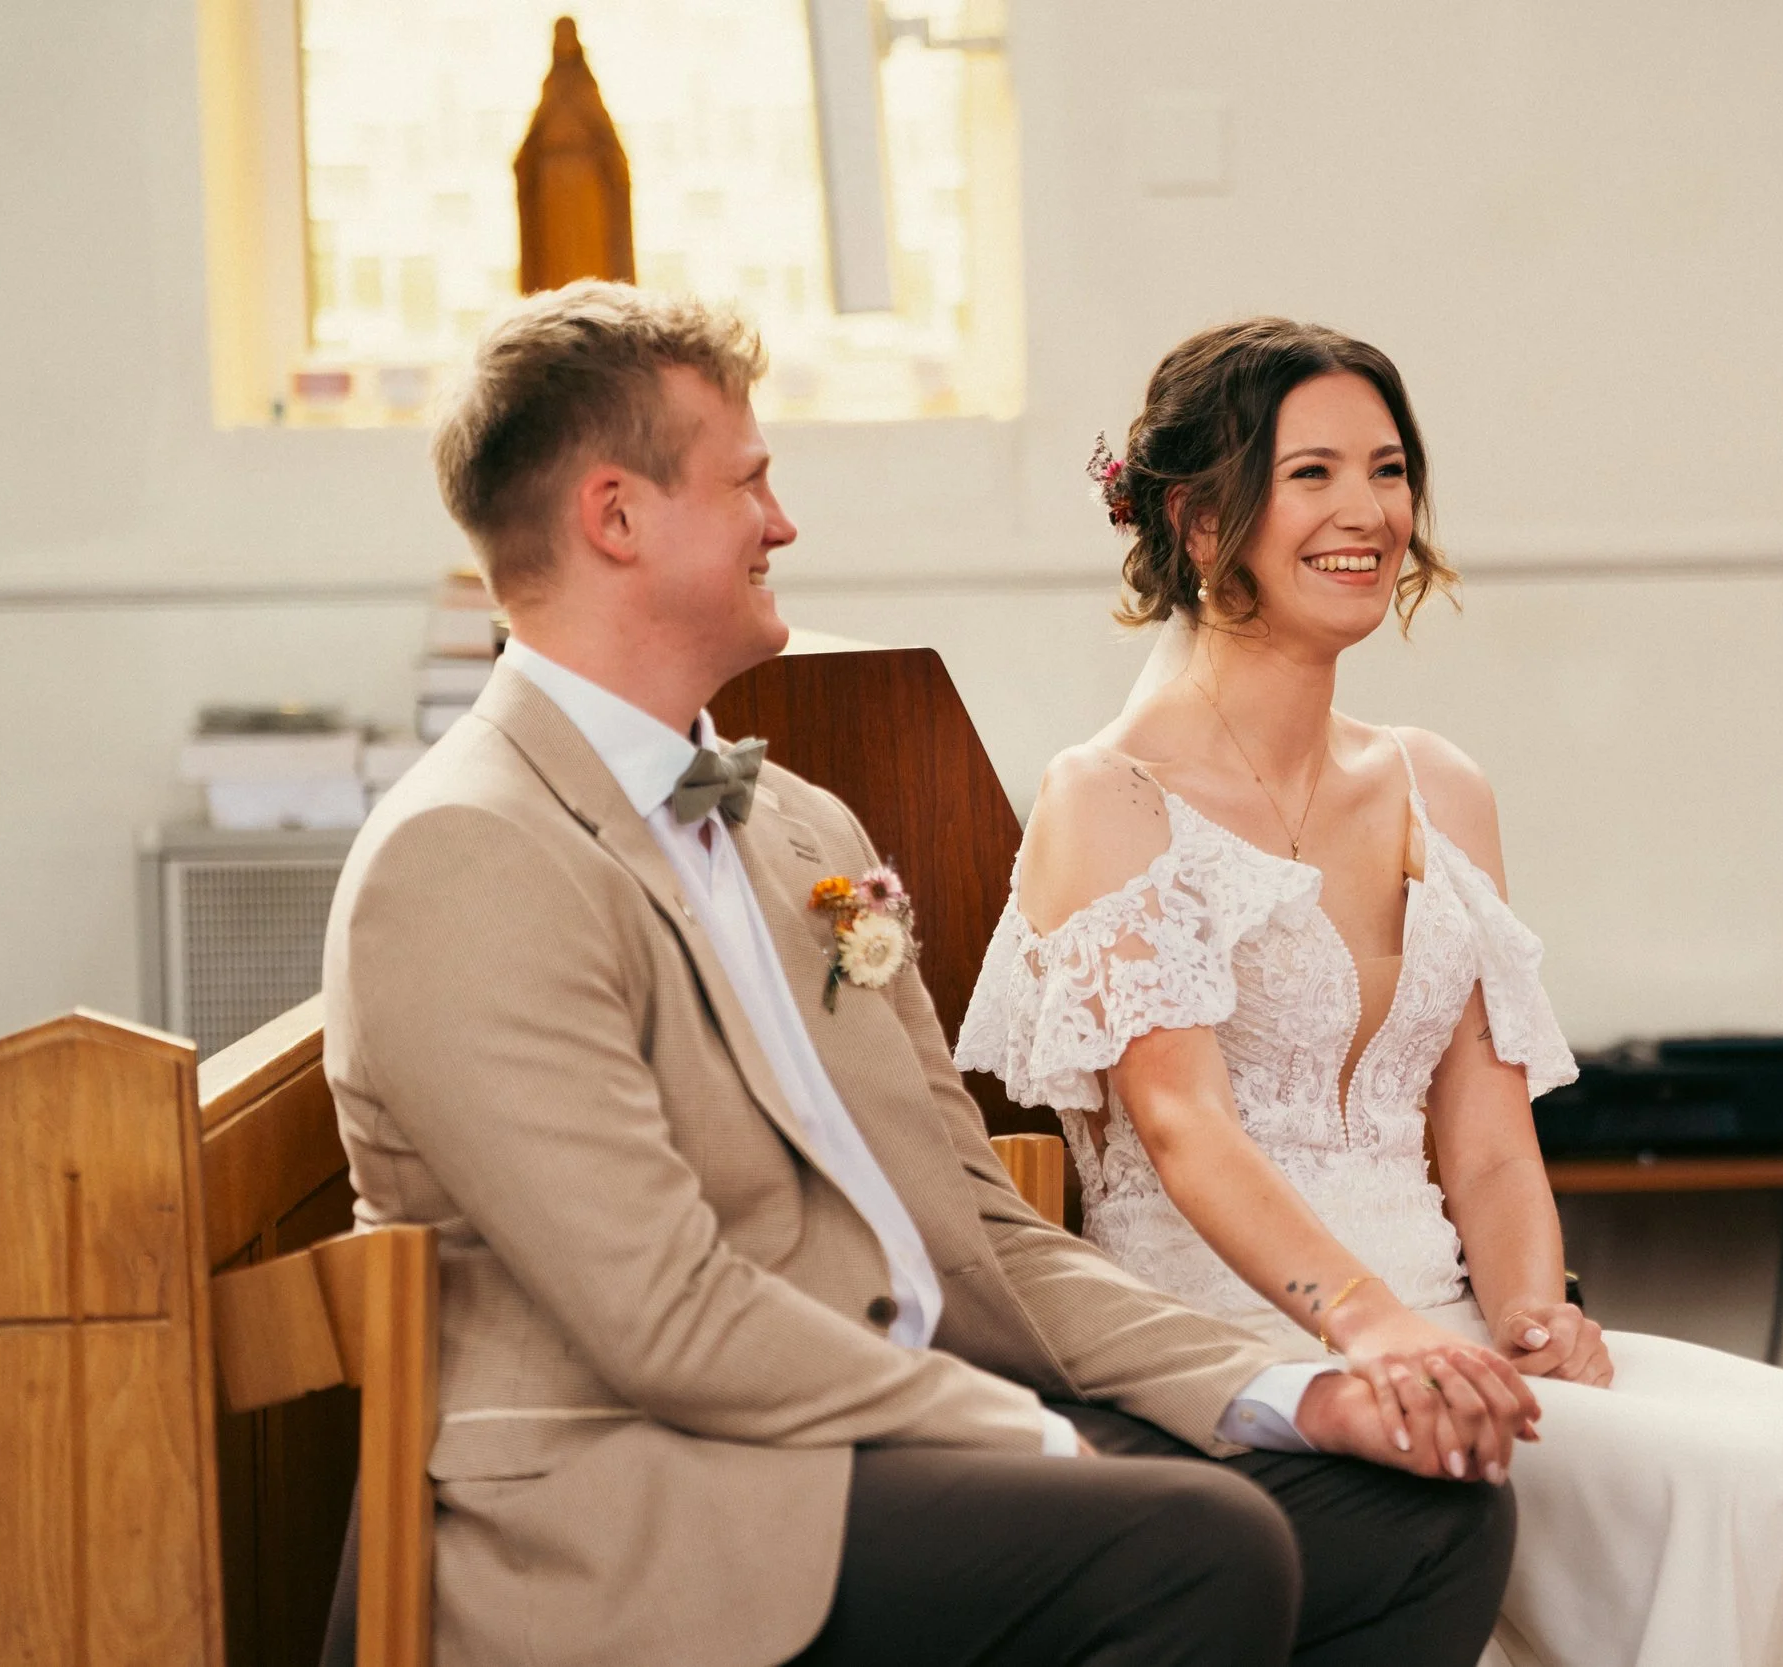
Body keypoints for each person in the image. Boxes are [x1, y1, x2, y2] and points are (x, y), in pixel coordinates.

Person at [323, 282, 1522, 1667]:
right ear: (616, 516)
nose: (785, 524)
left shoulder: (798, 831)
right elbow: (663, 1315)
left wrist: (1286, 1390)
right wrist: (1031, 1436)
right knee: (1194, 1549)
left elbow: (976, 1220)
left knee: (1425, 1514)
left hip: (883, 1432)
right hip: (654, 1494)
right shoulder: (468, 852)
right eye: (750, 484)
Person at [956, 317, 1783, 1667]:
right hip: (1254, 1352)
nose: (1369, 512)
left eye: (1388, 469)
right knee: (1760, 1486)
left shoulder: (1441, 782)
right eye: (1312, 472)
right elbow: (1184, 1127)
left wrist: (1530, 1309)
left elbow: (1488, 1139)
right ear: (1203, 519)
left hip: (1454, 1322)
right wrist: (1374, 1331)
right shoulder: (1109, 796)